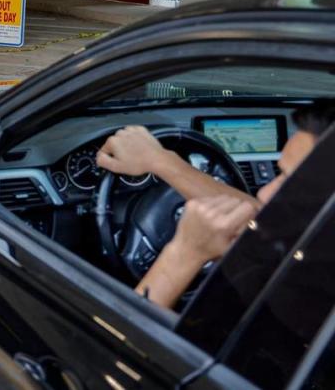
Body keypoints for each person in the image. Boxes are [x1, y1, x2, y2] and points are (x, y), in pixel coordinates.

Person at [96, 102, 335, 308]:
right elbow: (266, 223)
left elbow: (116, 352)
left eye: (293, 183)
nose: (264, 193)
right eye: (279, 174)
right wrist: (162, 162)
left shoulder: (305, 308)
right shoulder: (318, 261)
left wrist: (185, 252)